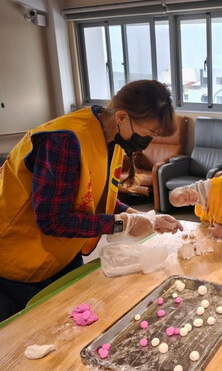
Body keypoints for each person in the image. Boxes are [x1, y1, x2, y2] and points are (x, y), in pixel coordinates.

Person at [0, 80, 183, 321]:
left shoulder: (113, 138)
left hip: (64, 253)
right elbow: (53, 220)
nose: (148, 141)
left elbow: (97, 197)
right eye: (149, 133)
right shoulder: (64, 141)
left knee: (82, 319)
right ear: (121, 116)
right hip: (21, 261)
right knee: (37, 334)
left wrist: (145, 217)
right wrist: (123, 223)